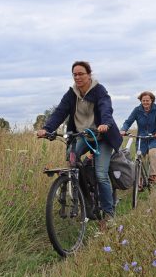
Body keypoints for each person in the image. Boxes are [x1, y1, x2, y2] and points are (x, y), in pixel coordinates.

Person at [36, 61, 122, 220]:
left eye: (81, 73)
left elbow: (105, 108)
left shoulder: (99, 90)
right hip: (82, 135)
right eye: (74, 74)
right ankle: (86, 201)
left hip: (102, 136)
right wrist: (47, 129)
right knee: (72, 159)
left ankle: (109, 214)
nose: (77, 77)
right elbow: (59, 112)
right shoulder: (71, 94)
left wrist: (105, 124)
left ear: (89, 75)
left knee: (101, 174)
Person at [120, 91, 156, 185]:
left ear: (151, 100)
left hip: (154, 137)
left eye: (147, 100)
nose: (145, 102)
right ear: (140, 101)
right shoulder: (137, 110)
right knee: (138, 157)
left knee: (152, 154)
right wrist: (123, 129)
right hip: (142, 138)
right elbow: (128, 122)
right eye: (143, 100)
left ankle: (154, 176)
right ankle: (139, 179)